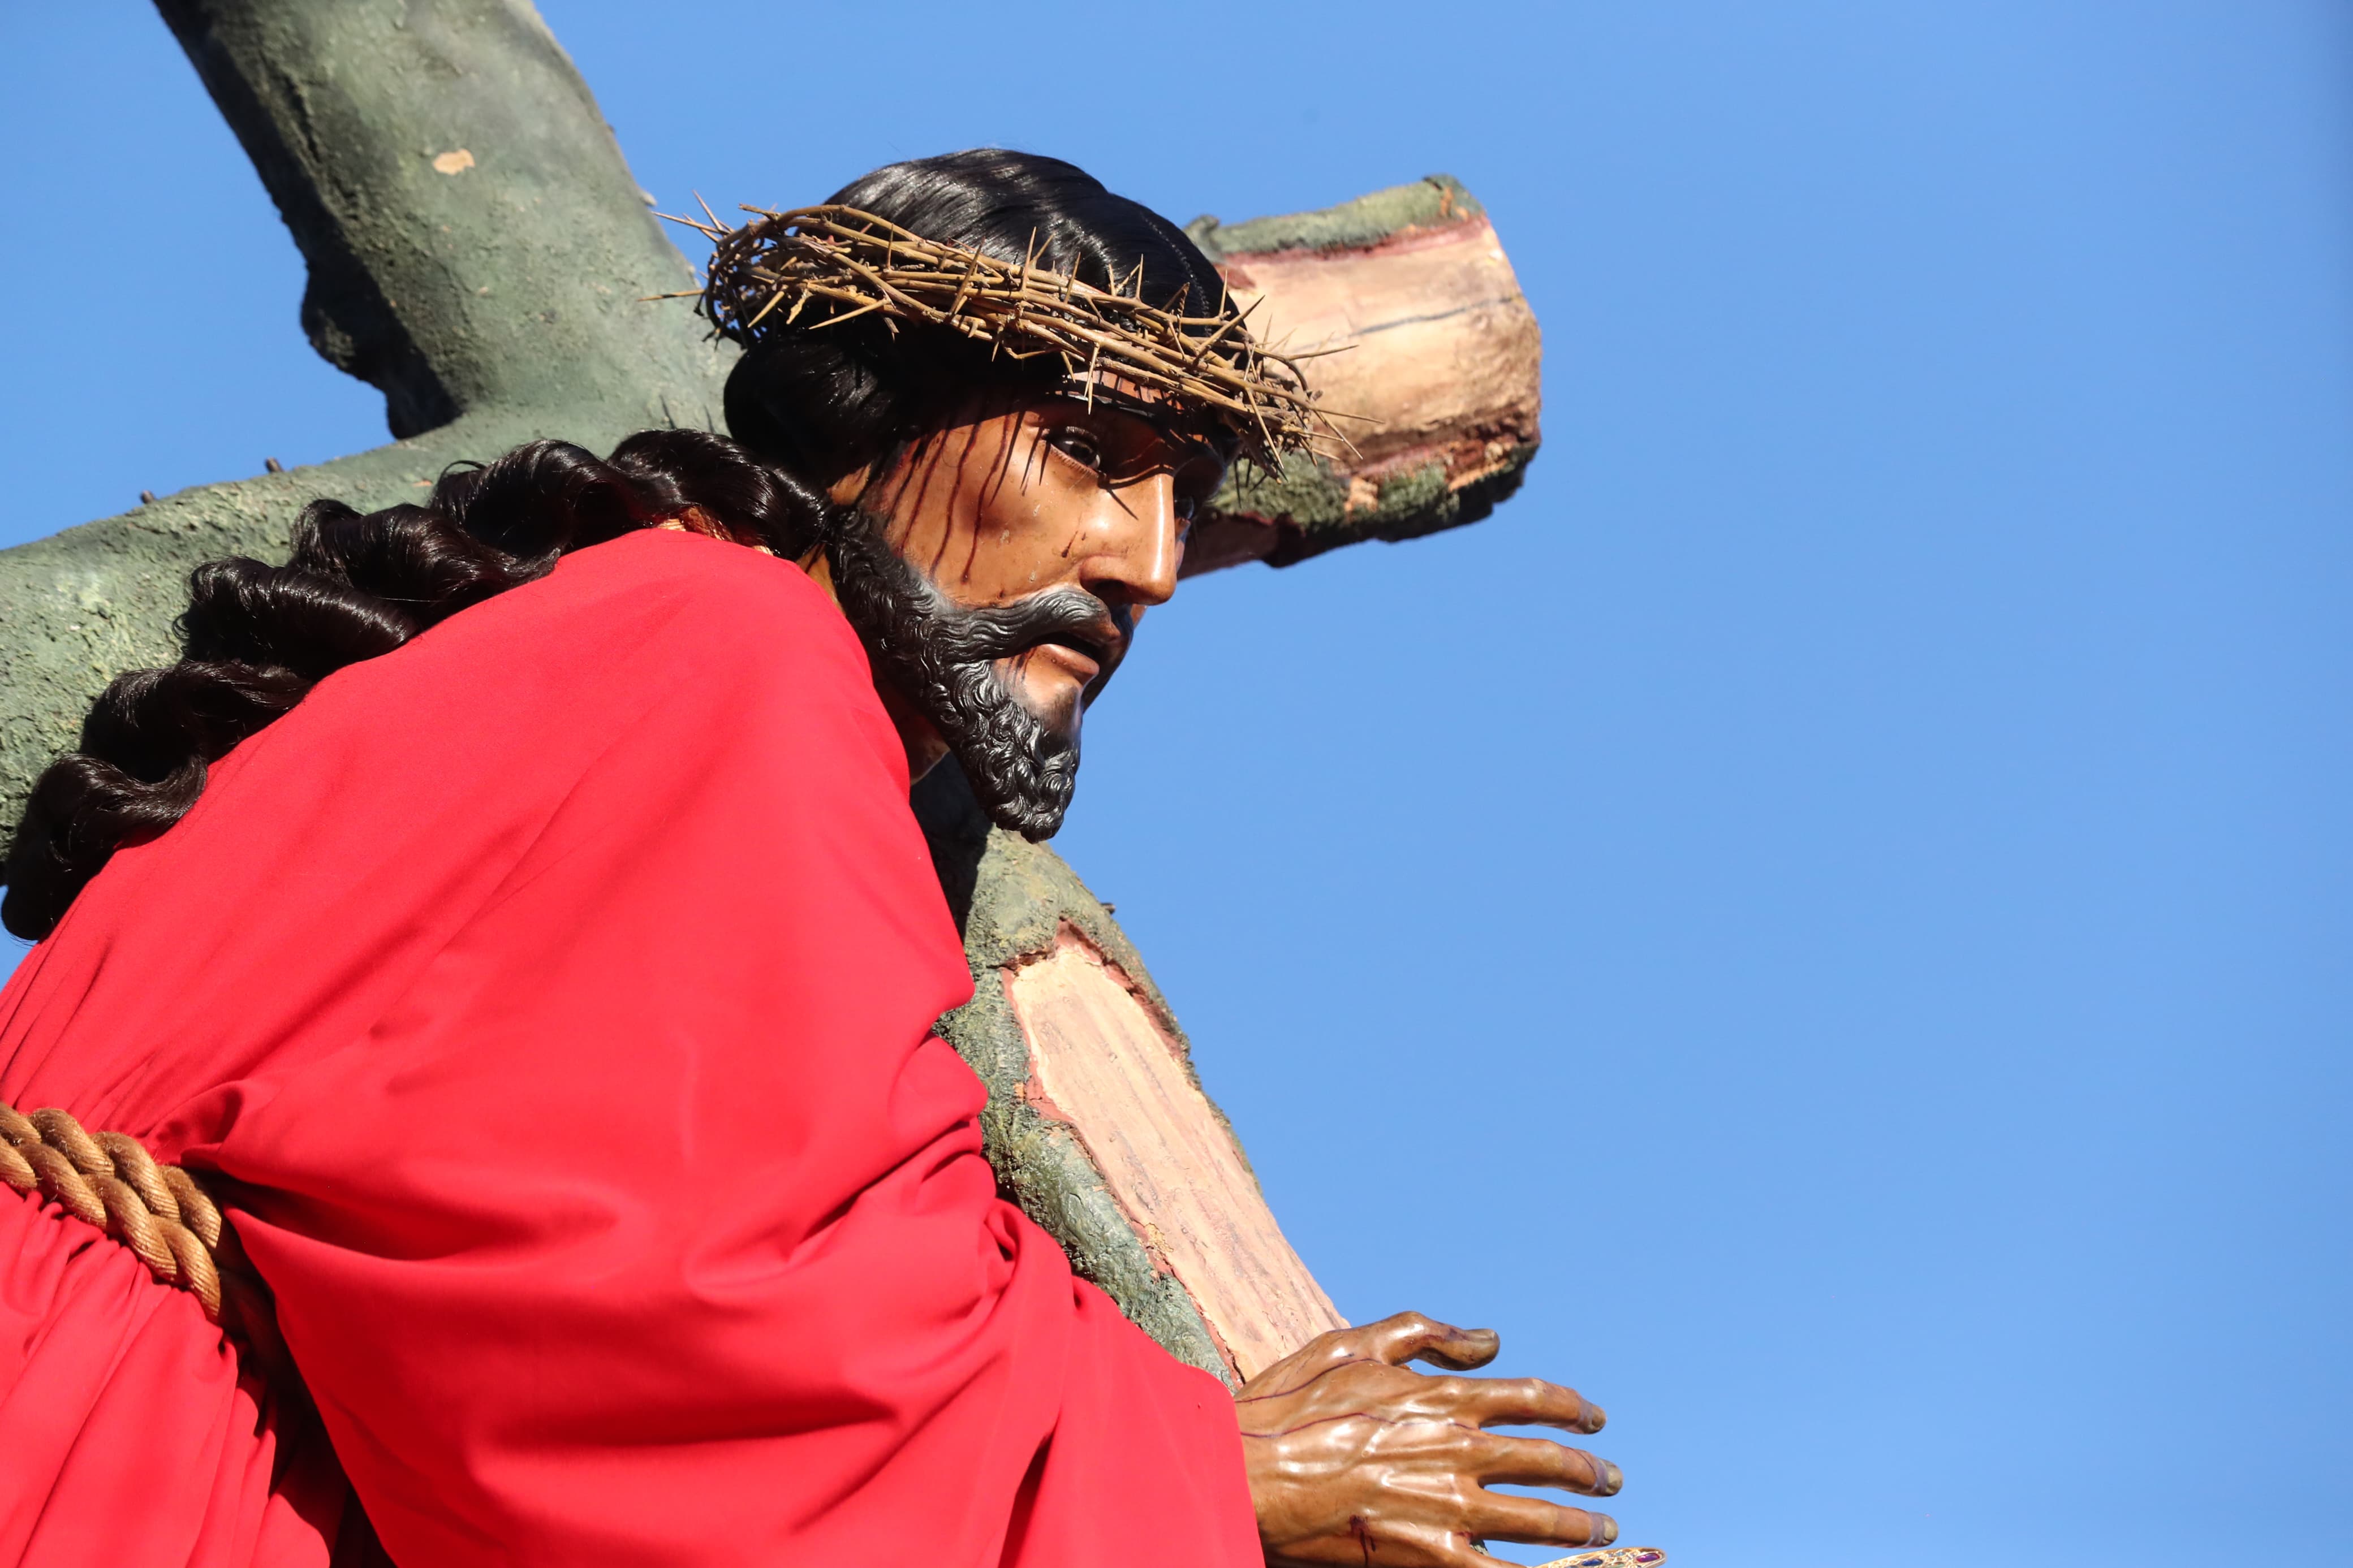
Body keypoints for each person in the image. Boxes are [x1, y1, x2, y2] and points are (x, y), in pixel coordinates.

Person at [0, 151, 1627, 1568]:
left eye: (1183, 500)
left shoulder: (639, 642)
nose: (1146, 569)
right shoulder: (733, 645)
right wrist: (1210, 1467)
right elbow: (681, 1301)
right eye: (1087, 452)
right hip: (119, 1475)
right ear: (858, 425)